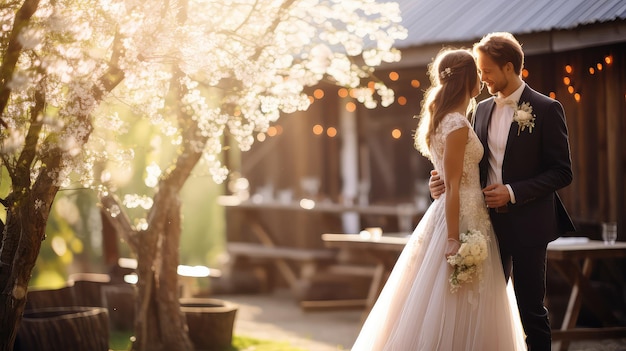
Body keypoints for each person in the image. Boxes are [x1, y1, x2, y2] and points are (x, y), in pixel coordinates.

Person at [351, 48, 526, 350]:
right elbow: (454, 186)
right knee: (462, 297)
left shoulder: (444, 119)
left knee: (453, 297)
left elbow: (446, 176)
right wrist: (454, 239)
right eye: (478, 74)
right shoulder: (456, 124)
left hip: (457, 211)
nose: (483, 81)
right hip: (462, 215)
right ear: (467, 79)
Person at [429, 32, 575, 351]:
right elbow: (467, 165)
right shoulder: (479, 110)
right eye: (479, 72)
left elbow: (563, 171)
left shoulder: (547, 109)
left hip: (528, 226)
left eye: (487, 71)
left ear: (508, 68)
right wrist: (440, 180)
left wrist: (512, 191)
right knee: (479, 310)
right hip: (484, 228)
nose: (482, 79)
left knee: (531, 311)